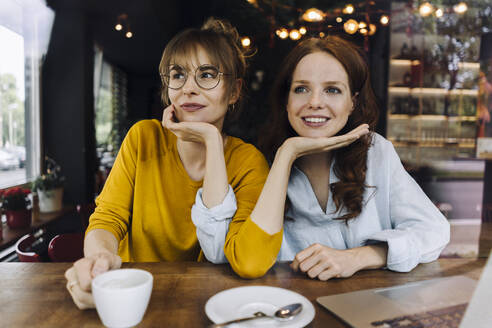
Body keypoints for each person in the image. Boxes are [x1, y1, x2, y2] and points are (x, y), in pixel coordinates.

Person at [200, 36, 450, 280]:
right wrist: (286, 155)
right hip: (288, 309)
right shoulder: (260, 162)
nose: (315, 102)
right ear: (286, 100)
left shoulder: (375, 152)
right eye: (301, 89)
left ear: (352, 102)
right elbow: (220, 253)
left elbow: (433, 231)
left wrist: (360, 257)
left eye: (332, 90)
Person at [64, 18, 270, 309]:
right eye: (178, 75)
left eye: (207, 75)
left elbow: (238, 256)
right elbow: (108, 218)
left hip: (211, 301)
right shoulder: (143, 138)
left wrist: (212, 140)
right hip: (134, 293)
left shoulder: (248, 163)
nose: (189, 88)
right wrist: (100, 258)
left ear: (234, 91)